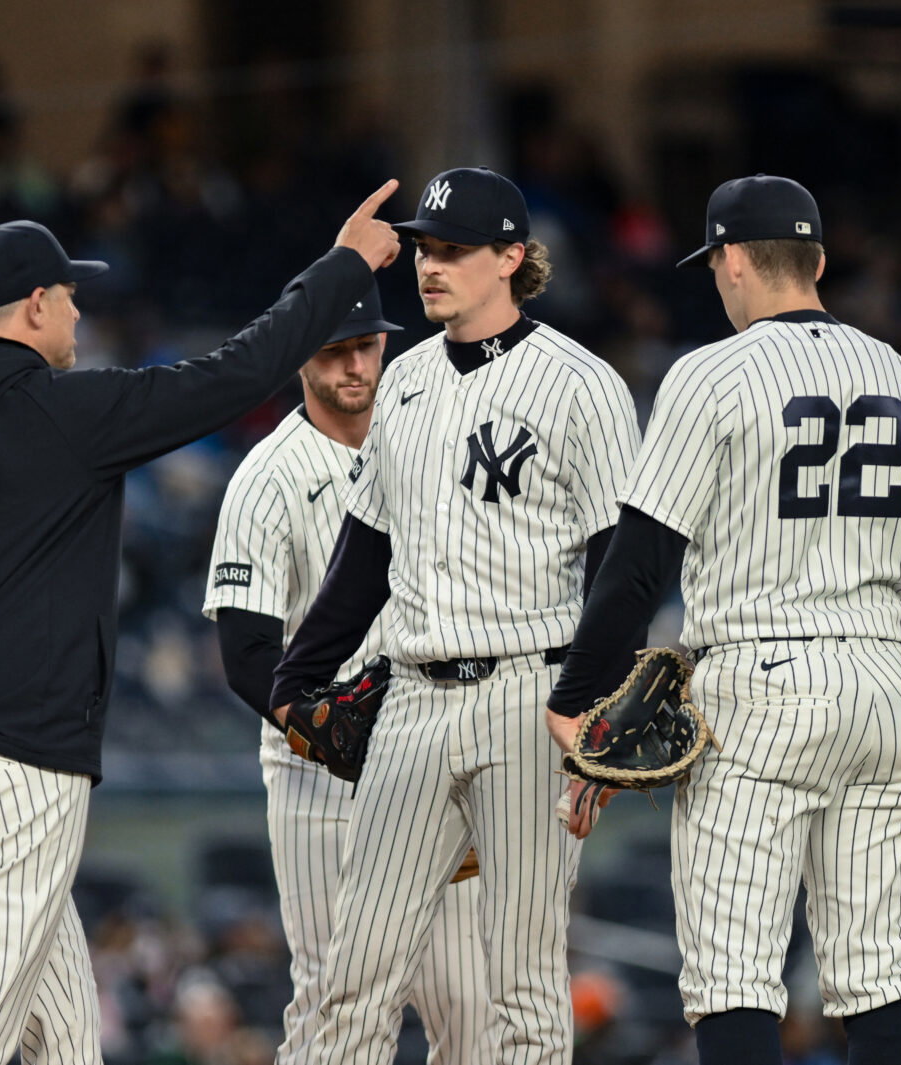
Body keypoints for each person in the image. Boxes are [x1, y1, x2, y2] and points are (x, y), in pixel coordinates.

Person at [0, 186, 401, 1065]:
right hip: (17, 767)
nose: (77, 309)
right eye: (68, 294)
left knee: (65, 1035)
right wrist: (342, 268)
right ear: (33, 305)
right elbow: (239, 372)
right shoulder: (64, 414)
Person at [544, 174, 901, 1065]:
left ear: (728, 260)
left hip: (757, 690)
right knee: (875, 974)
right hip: (884, 687)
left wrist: (578, 695)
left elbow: (641, 559)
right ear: (819, 262)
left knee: (735, 978)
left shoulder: (710, 375)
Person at [270, 166, 641, 1065]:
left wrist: (595, 717)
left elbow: (620, 571)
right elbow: (366, 552)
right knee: (354, 969)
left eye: (454, 251)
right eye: (426, 249)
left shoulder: (582, 383)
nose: (430, 266)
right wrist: (293, 682)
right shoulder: (402, 381)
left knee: (521, 978)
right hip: (412, 698)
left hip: (531, 694)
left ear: (512, 257)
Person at [203, 284, 492, 1063]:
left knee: (472, 1003)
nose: (358, 364)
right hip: (319, 777)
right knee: (340, 1002)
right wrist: (324, 727)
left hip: (432, 754)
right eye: (335, 349)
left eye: (368, 345)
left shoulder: (427, 444)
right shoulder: (268, 475)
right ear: (302, 355)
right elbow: (245, 654)